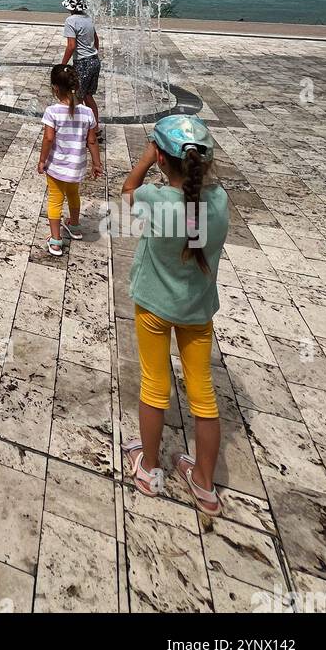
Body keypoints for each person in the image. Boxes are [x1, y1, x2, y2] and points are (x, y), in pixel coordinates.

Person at [121, 115, 228, 515]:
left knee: (154, 383)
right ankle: (204, 483)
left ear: (162, 160)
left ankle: (148, 468)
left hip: (153, 304)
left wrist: (146, 158)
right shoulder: (217, 201)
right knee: (202, 393)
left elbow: (127, 190)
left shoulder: (155, 199)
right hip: (197, 310)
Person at [37, 63, 101, 257]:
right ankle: (75, 226)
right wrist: (97, 163)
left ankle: (56, 241)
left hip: (57, 165)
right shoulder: (87, 113)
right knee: (73, 194)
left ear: (55, 88)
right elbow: (92, 141)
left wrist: (42, 160)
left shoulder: (52, 111)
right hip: (76, 167)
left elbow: (48, 138)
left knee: (55, 200)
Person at [60, 0, 102, 134]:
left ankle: (81, 130)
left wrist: (63, 65)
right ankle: (95, 128)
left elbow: (71, 46)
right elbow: (96, 40)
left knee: (77, 97)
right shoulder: (88, 18)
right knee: (88, 96)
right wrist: (92, 53)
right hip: (94, 61)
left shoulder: (70, 21)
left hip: (83, 63)